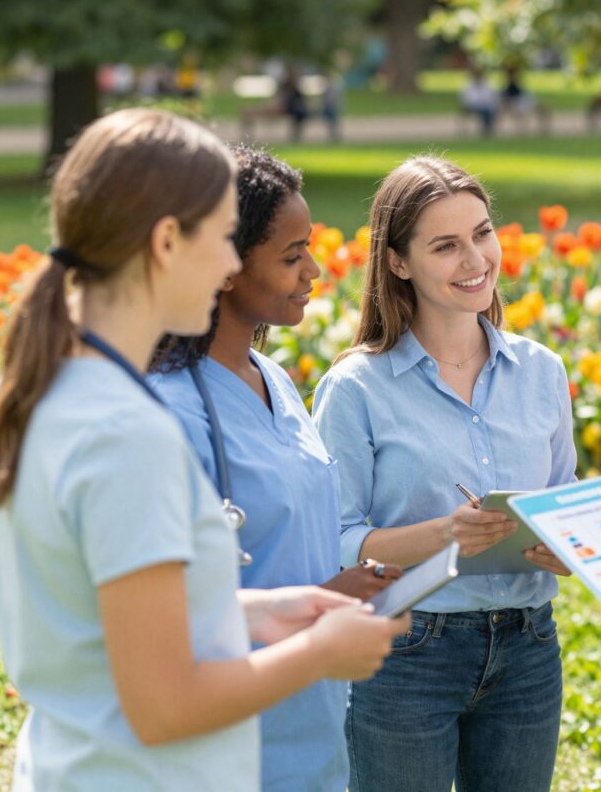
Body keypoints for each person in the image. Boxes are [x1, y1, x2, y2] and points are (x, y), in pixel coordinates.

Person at [0, 109, 405, 791]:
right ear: (166, 242)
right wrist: (318, 652)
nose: (226, 265)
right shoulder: (128, 434)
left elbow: (102, 622)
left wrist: (260, 613)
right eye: (221, 238)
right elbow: (164, 707)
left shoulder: (58, 391)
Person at [313, 155, 577, 792]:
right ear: (398, 262)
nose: (475, 259)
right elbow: (333, 541)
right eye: (445, 245)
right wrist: (445, 536)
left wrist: (570, 547)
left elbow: (568, 506)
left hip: (528, 646)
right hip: (406, 652)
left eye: (482, 233)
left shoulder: (542, 372)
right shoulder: (356, 388)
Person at [148, 145, 398, 792]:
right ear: (225, 265)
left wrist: (340, 589)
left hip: (315, 719)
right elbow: (162, 614)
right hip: (229, 732)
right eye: (291, 256)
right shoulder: (167, 411)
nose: (314, 269)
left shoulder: (274, 379)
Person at [459, 65, 499, 136]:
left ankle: (487, 128)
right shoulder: (468, 84)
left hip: (485, 105)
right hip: (472, 105)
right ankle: (486, 129)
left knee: (489, 110)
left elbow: (492, 96)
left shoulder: (487, 83)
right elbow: (466, 98)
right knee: (486, 111)